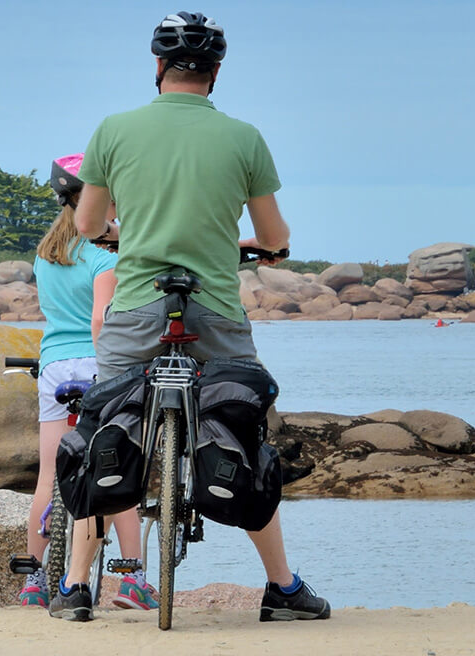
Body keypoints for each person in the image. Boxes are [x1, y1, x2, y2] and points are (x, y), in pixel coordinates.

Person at [65, 11, 330, 623]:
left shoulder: (113, 129)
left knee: (107, 426)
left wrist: (119, 234)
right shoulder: (243, 137)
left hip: (135, 303)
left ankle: (78, 585)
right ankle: (283, 588)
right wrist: (271, 248)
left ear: (158, 68)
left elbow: (85, 224)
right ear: (215, 74)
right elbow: (270, 232)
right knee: (244, 427)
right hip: (213, 303)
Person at [20, 153, 159, 613]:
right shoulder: (104, 256)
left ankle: (35, 579)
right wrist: (112, 370)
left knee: (47, 476)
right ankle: (133, 577)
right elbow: (100, 318)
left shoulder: (45, 254)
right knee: (116, 472)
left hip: (54, 366)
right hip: (95, 363)